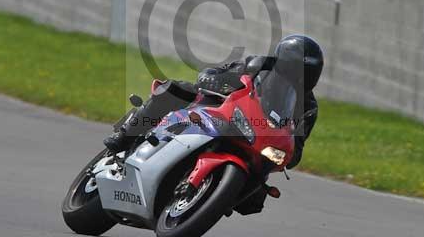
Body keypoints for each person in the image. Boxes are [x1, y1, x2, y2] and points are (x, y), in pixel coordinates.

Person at [103, 34, 324, 174]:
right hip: (223, 109)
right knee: (174, 90)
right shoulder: (259, 64)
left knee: (258, 191)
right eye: (296, 68)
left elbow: (297, 147)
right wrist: (211, 79)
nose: (299, 76)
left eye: (307, 72)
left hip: (257, 140)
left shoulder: (309, 107)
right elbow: (220, 72)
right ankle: (126, 135)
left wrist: (287, 153)